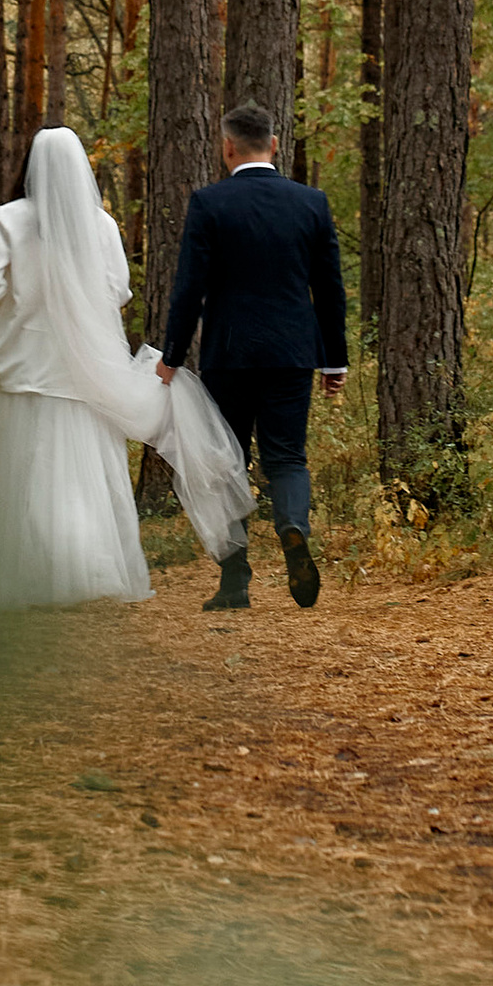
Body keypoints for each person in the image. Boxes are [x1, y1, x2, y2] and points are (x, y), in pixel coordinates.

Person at [0, 125, 251, 612]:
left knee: (18, 467)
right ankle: (88, 567)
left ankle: (23, 571)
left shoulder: (9, 217)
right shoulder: (102, 225)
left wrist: (28, 299)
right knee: (84, 471)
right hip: (85, 365)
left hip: (24, 359)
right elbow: (118, 291)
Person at [157, 101, 348, 613]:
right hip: (292, 353)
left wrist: (171, 355)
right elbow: (329, 288)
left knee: (229, 462)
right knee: (287, 458)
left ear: (227, 147)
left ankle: (234, 583)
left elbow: (189, 288)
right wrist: (334, 361)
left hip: (229, 354)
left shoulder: (210, 203)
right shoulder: (311, 202)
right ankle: (293, 527)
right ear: (274, 144)